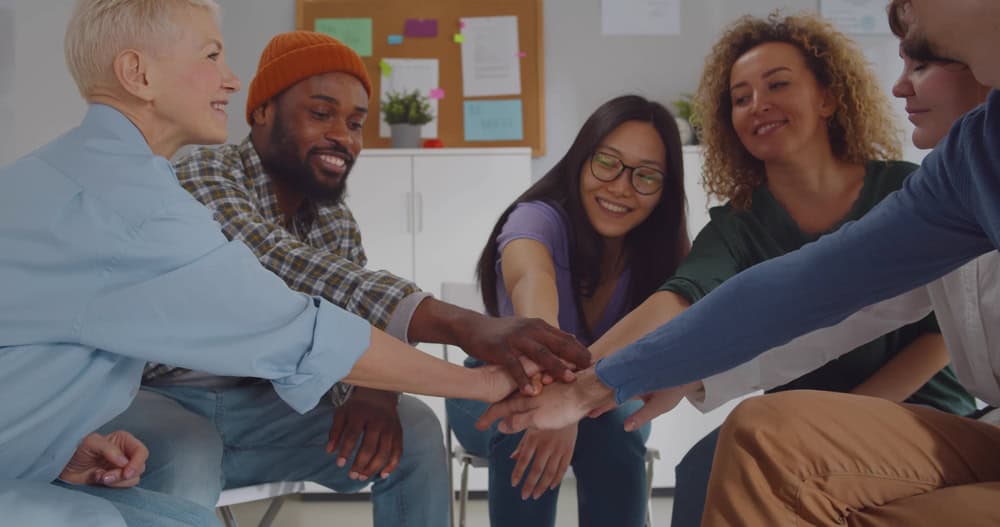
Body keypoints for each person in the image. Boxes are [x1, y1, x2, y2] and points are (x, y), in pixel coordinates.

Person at [0, 2, 575, 525]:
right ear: (139, 74)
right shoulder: (161, 194)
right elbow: (289, 307)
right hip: (163, 404)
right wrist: (478, 372)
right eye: (212, 55)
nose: (229, 76)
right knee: (186, 469)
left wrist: (62, 448)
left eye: (355, 122)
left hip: (226, 413)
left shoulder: (64, 175)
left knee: (415, 429)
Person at [478, 0, 1000, 524]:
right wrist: (612, 380)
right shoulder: (957, 173)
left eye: (924, 62)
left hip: (927, 412)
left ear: (829, 97)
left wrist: (593, 385)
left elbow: (830, 305)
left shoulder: (909, 183)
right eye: (740, 97)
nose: (900, 86)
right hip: (846, 418)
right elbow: (800, 300)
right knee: (747, 438)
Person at [447, 95, 689, 526]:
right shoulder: (536, 220)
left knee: (611, 424)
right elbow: (532, 282)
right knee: (522, 415)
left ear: (665, 190)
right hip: (498, 386)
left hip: (606, 401)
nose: (620, 186)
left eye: (646, 176)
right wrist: (556, 397)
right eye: (607, 162)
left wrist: (573, 404)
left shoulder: (663, 253)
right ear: (581, 159)